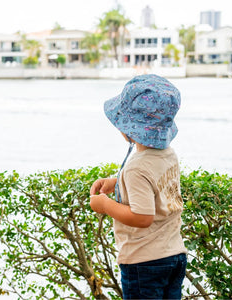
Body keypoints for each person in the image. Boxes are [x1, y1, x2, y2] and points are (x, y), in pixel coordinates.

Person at [90, 74, 187, 300]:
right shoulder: (168, 154)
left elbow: (142, 217)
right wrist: (117, 183)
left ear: (131, 128)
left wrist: (105, 204)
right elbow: (157, 187)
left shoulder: (136, 168)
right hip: (174, 255)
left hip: (144, 262)